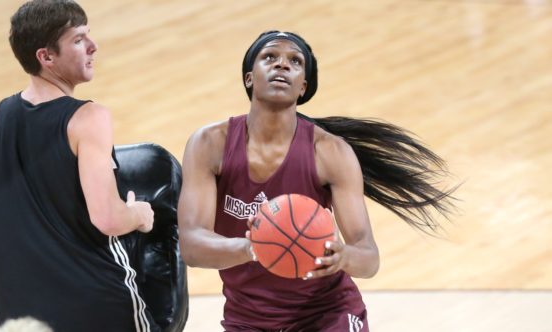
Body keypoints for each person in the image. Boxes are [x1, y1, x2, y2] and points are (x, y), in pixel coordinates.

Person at [177, 30, 457, 331]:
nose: (282, 65)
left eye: (295, 61)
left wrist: (344, 257)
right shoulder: (209, 144)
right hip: (249, 319)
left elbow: (369, 258)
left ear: (303, 87)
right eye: (269, 57)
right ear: (249, 77)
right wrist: (252, 248)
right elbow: (192, 246)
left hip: (326, 313)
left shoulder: (331, 152)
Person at [0, 1, 158, 331]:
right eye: (79, 39)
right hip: (97, 306)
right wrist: (140, 213)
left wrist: (30, 240)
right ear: (46, 57)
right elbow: (108, 217)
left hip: (21, 317)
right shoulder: (88, 117)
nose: (94, 46)